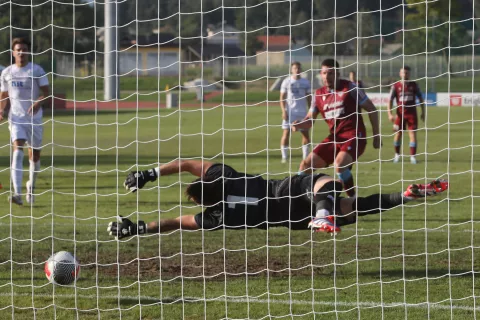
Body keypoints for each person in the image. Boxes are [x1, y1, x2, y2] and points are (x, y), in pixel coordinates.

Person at [107, 159, 448, 238]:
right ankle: (324, 213)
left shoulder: (215, 217)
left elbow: (174, 223)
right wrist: (149, 174)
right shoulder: (220, 174)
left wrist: (138, 228)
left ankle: (404, 196)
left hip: (289, 218)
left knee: (349, 208)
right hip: (283, 190)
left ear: (201, 201)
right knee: (328, 185)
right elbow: (186, 164)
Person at [293, 59, 381, 198]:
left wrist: (376, 136)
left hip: (354, 135)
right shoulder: (318, 94)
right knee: (306, 165)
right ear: (320, 74)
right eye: (324, 73)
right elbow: (310, 121)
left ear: (338, 74)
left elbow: (372, 109)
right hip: (335, 137)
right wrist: (299, 125)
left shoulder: (350, 88)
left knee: (339, 164)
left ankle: (353, 201)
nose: (327, 77)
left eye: (331, 73)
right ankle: (295, 196)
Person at [0, 37, 49, 205]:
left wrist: (38, 102)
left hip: (34, 119)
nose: (21, 52)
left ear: (28, 51)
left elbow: (47, 93)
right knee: (17, 149)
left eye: (24, 49)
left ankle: (31, 186)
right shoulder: (7, 72)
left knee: (34, 156)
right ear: (13, 52)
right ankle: (17, 193)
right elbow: (4, 95)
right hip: (16, 118)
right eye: (18, 49)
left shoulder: (37, 70)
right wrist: (1, 110)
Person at [387, 66, 425, 164]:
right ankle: (397, 155)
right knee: (398, 134)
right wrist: (390, 114)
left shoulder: (414, 85)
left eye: (407, 73)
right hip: (400, 115)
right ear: (400, 74)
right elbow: (390, 100)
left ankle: (413, 157)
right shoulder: (395, 86)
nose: (405, 74)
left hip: (412, 114)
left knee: (412, 134)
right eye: (403, 73)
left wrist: (423, 112)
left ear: (409, 74)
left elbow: (421, 99)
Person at [279, 62, 312, 163]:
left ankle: (305, 158)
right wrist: (283, 111)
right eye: (294, 68)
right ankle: (284, 157)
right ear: (291, 70)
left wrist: (310, 112)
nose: (297, 70)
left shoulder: (305, 82)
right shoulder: (286, 81)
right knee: (286, 134)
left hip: (302, 113)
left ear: (301, 70)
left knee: (305, 135)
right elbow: (282, 98)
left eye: (298, 68)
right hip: (290, 113)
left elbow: (309, 98)